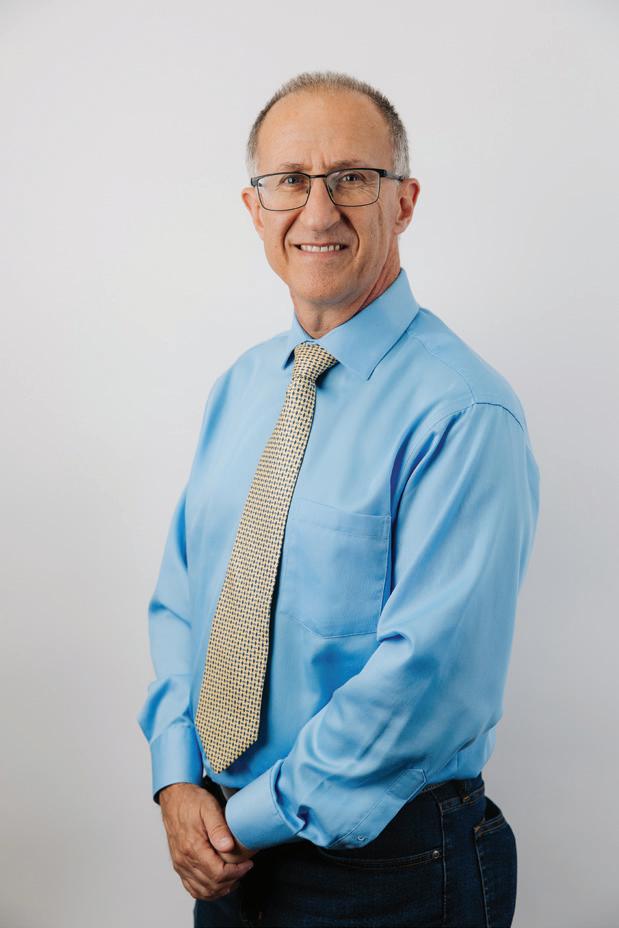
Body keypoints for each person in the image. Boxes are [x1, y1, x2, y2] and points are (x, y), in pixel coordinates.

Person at [137, 70, 540, 928]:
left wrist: (238, 822)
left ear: (404, 201)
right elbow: (182, 600)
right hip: (223, 848)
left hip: (389, 869)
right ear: (254, 208)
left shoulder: (464, 412)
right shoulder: (242, 387)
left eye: (352, 178)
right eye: (289, 180)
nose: (317, 212)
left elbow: (423, 685)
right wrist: (177, 778)